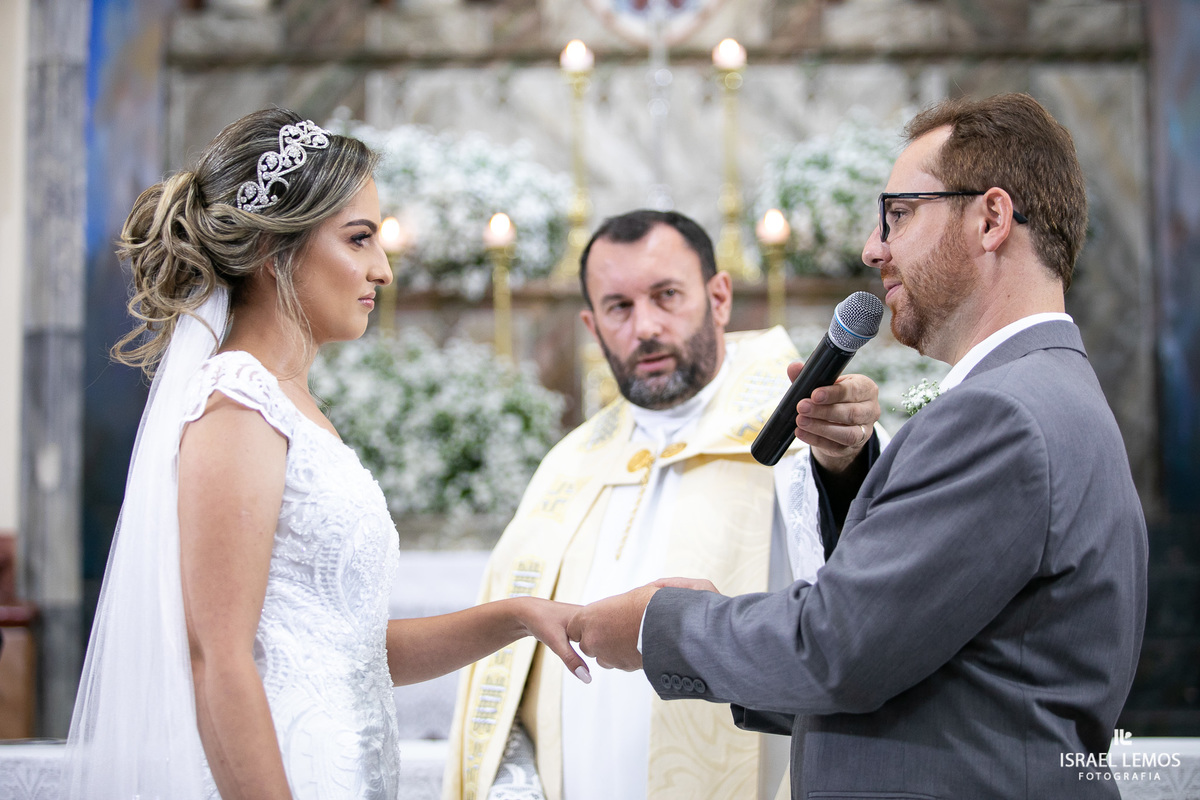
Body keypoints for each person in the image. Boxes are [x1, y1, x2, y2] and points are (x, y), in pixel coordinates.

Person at [567, 93, 1148, 799]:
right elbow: (929, 658)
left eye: (898, 215)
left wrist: (660, 625)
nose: (875, 248)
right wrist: (847, 474)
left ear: (991, 218)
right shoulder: (1048, 389)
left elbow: (840, 650)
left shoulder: (1000, 414)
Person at [64, 108, 589, 800]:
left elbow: (350, 653)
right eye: (359, 239)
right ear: (273, 250)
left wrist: (515, 617)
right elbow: (216, 660)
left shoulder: (289, 403)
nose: (382, 269)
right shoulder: (237, 407)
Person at [442, 209, 883, 800]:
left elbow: (860, 579)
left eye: (666, 295)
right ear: (591, 325)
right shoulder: (570, 464)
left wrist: (848, 458)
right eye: (618, 307)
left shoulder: (801, 427)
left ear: (719, 297)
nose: (643, 326)